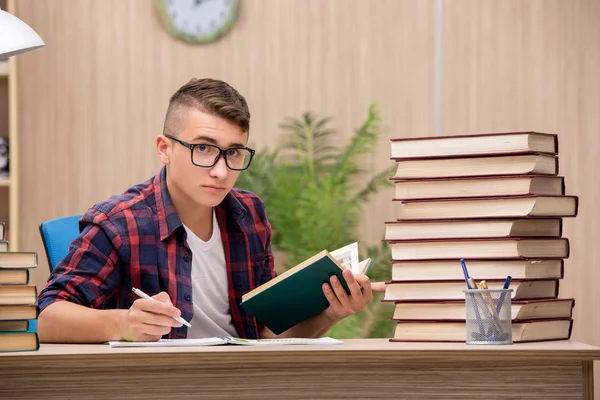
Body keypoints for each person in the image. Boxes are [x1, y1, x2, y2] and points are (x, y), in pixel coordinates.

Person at [38, 78, 386, 343]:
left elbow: (265, 334)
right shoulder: (119, 222)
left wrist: (330, 314)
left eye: (234, 152)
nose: (221, 171)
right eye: (203, 149)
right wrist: (123, 323)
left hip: (244, 383)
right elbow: (48, 318)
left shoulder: (248, 215)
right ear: (164, 148)